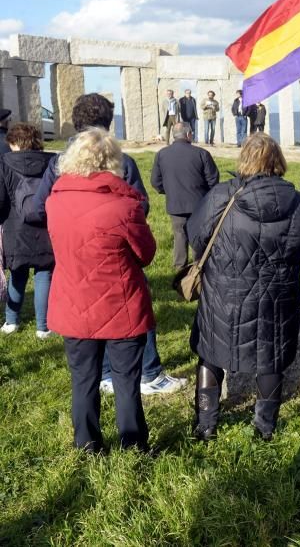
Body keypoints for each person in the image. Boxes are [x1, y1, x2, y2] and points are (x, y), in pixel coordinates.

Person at [32, 93, 186, 396]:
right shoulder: (121, 160)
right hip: (117, 251)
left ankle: (104, 375)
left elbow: (39, 207)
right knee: (132, 308)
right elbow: (140, 206)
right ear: (106, 121)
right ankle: (149, 372)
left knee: (87, 314)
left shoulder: (58, 163)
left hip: (74, 253)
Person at [187, 133, 300, 441]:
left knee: (210, 353)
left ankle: (206, 426)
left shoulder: (221, 195)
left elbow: (196, 235)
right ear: (278, 160)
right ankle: (264, 429)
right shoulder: (296, 201)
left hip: (223, 292)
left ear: (244, 159)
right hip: (277, 295)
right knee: (270, 356)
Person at [46, 128, 156, 452]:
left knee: (82, 380)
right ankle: (133, 445)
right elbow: (146, 254)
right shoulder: (125, 207)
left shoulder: (55, 202)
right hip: (119, 303)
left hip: (73, 300)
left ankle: (86, 444)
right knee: (126, 381)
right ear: (112, 161)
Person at [0, 123, 57, 338]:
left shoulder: (4, 163)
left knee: (17, 274)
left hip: (15, 228)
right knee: (44, 275)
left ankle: (11, 321)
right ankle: (43, 327)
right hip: (45, 225)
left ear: (13, 142)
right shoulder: (52, 162)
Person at [150, 122, 220, 269]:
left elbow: (155, 182)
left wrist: (169, 191)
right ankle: (199, 267)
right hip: (199, 204)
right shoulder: (201, 153)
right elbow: (213, 179)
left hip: (175, 203)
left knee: (179, 235)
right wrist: (207, 196)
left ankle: (179, 267)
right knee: (198, 236)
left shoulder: (162, 154)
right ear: (188, 134)